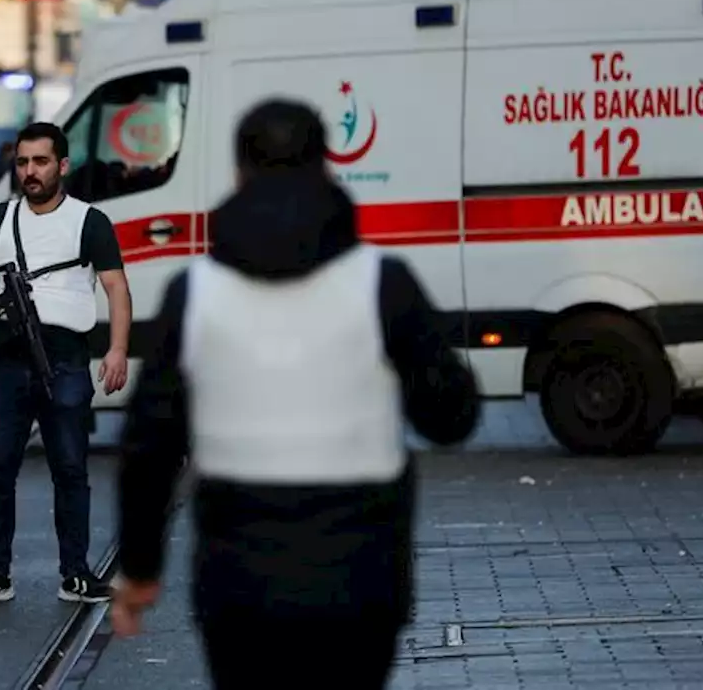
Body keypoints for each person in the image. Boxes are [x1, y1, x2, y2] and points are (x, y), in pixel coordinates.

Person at [109, 100, 482, 689]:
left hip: (239, 587)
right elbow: (451, 418)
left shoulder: (194, 295)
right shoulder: (383, 285)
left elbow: (148, 447)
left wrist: (140, 570)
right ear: (327, 170)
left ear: (237, 176)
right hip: (359, 582)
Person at [0, 121, 131, 605]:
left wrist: (115, 349)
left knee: (70, 468)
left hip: (64, 358)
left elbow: (116, 287)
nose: (30, 171)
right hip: (5, 359)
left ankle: (76, 574)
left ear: (62, 166)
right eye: (23, 162)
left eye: (41, 161)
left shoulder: (89, 221)